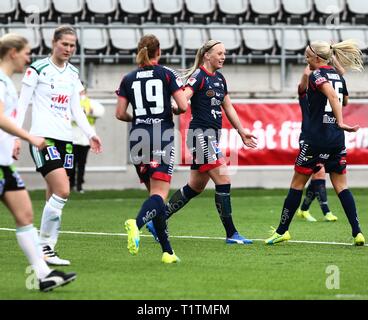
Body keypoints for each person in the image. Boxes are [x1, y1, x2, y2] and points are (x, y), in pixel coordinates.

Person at [146, 40, 257, 244]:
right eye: (219, 53)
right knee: (224, 179)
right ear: (207, 55)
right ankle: (232, 234)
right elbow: (184, 97)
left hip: (212, 136)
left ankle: (156, 222)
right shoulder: (199, 76)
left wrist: (242, 132)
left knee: (195, 187)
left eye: (225, 53)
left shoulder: (220, 78)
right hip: (200, 136)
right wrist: (175, 106)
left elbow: (228, 107)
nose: (223, 57)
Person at [265, 39, 365, 246]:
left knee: (296, 185)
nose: (305, 60)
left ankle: (283, 230)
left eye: (308, 57)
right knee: (341, 186)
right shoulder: (337, 76)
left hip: (316, 138)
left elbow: (332, 98)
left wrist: (341, 122)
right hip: (336, 139)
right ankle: (357, 232)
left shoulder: (317, 75)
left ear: (318, 59)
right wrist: (338, 123)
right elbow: (344, 100)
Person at [18, 25, 103, 266]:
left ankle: (43, 251)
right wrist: (16, 137)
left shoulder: (73, 73)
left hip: (66, 141)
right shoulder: (37, 69)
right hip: (43, 139)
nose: (68, 49)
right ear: (54, 42)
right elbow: (22, 105)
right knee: (63, 190)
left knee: (52, 195)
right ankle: (45, 246)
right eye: (64, 44)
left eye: (72, 45)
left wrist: (90, 133)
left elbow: (76, 108)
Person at [0, 33, 76, 291]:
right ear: (13, 53)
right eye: (26, 52)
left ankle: (43, 274)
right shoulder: (1, 81)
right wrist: (29, 137)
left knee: (25, 216)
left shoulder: (9, 83)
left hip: (4, 165)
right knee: (34, 210)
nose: (28, 57)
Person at [115, 34, 188, 263]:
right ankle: (135, 224)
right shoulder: (166, 74)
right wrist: (173, 109)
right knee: (159, 195)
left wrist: (138, 119)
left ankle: (167, 252)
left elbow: (119, 113)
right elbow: (183, 106)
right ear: (159, 51)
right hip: (161, 136)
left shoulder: (128, 78)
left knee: (154, 197)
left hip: (137, 137)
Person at [296, 64, 339, 223]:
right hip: (307, 138)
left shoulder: (320, 97)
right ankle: (326, 211)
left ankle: (304, 209)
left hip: (320, 139)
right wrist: (310, 69)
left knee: (317, 174)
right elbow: (304, 81)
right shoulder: (304, 94)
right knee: (319, 172)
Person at [70, 84, 105, 193]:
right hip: (72, 139)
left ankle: (79, 185)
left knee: (82, 163)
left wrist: (89, 111)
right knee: (71, 163)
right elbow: (70, 117)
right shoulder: (70, 103)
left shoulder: (90, 103)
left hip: (85, 140)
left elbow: (100, 111)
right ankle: (70, 185)